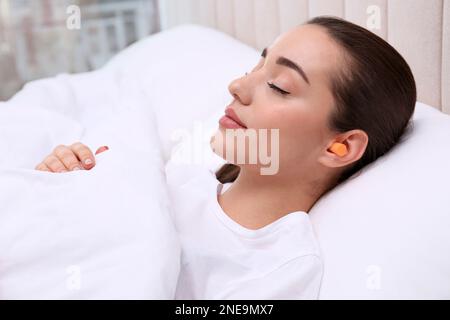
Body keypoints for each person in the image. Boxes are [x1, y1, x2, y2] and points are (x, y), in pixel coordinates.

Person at [35, 16, 416, 299]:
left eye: (278, 86)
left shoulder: (281, 268)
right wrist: (62, 178)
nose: (237, 86)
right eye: (256, 66)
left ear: (339, 147)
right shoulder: (179, 179)